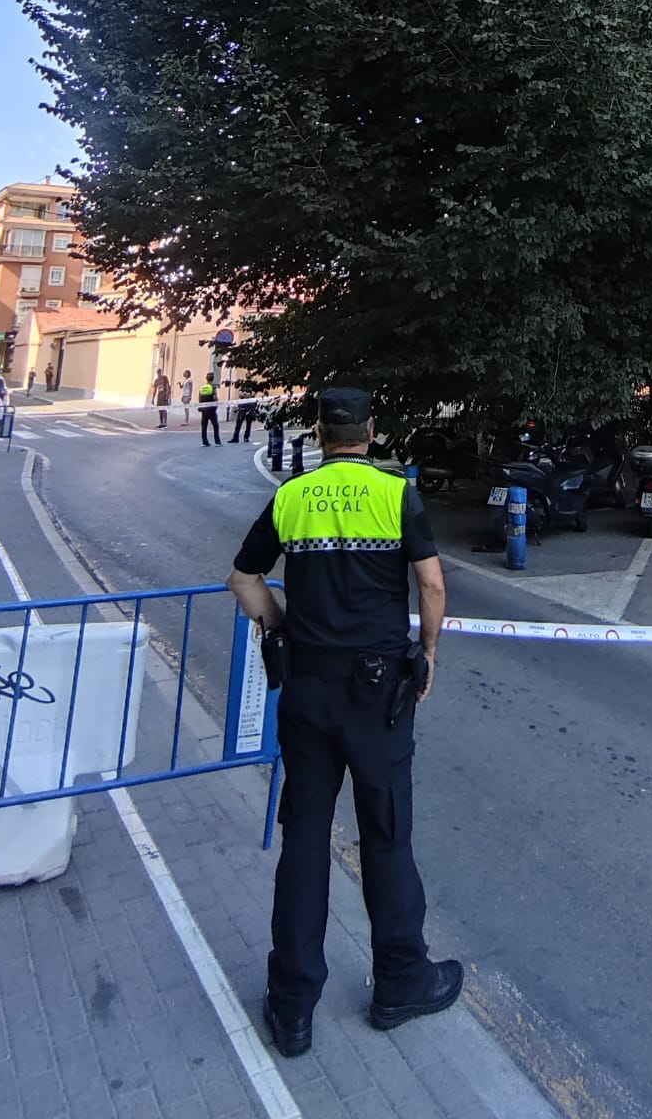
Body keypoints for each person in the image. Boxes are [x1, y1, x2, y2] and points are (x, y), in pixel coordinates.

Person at [227, 387, 459, 1056]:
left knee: (304, 840)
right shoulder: (395, 495)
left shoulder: (292, 496)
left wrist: (281, 624)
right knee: (386, 837)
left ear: (322, 435)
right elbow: (433, 584)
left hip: (307, 691)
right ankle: (399, 983)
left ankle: (293, 1005)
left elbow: (243, 580)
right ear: (370, 432)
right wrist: (431, 653)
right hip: (377, 696)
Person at [198, 372, 221, 446]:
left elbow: (199, 398)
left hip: (204, 409)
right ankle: (217, 441)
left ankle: (204, 441)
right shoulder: (212, 387)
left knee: (204, 426)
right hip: (211, 409)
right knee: (215, 425)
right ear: (213, 379)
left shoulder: (202, 388)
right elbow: (215, 398)